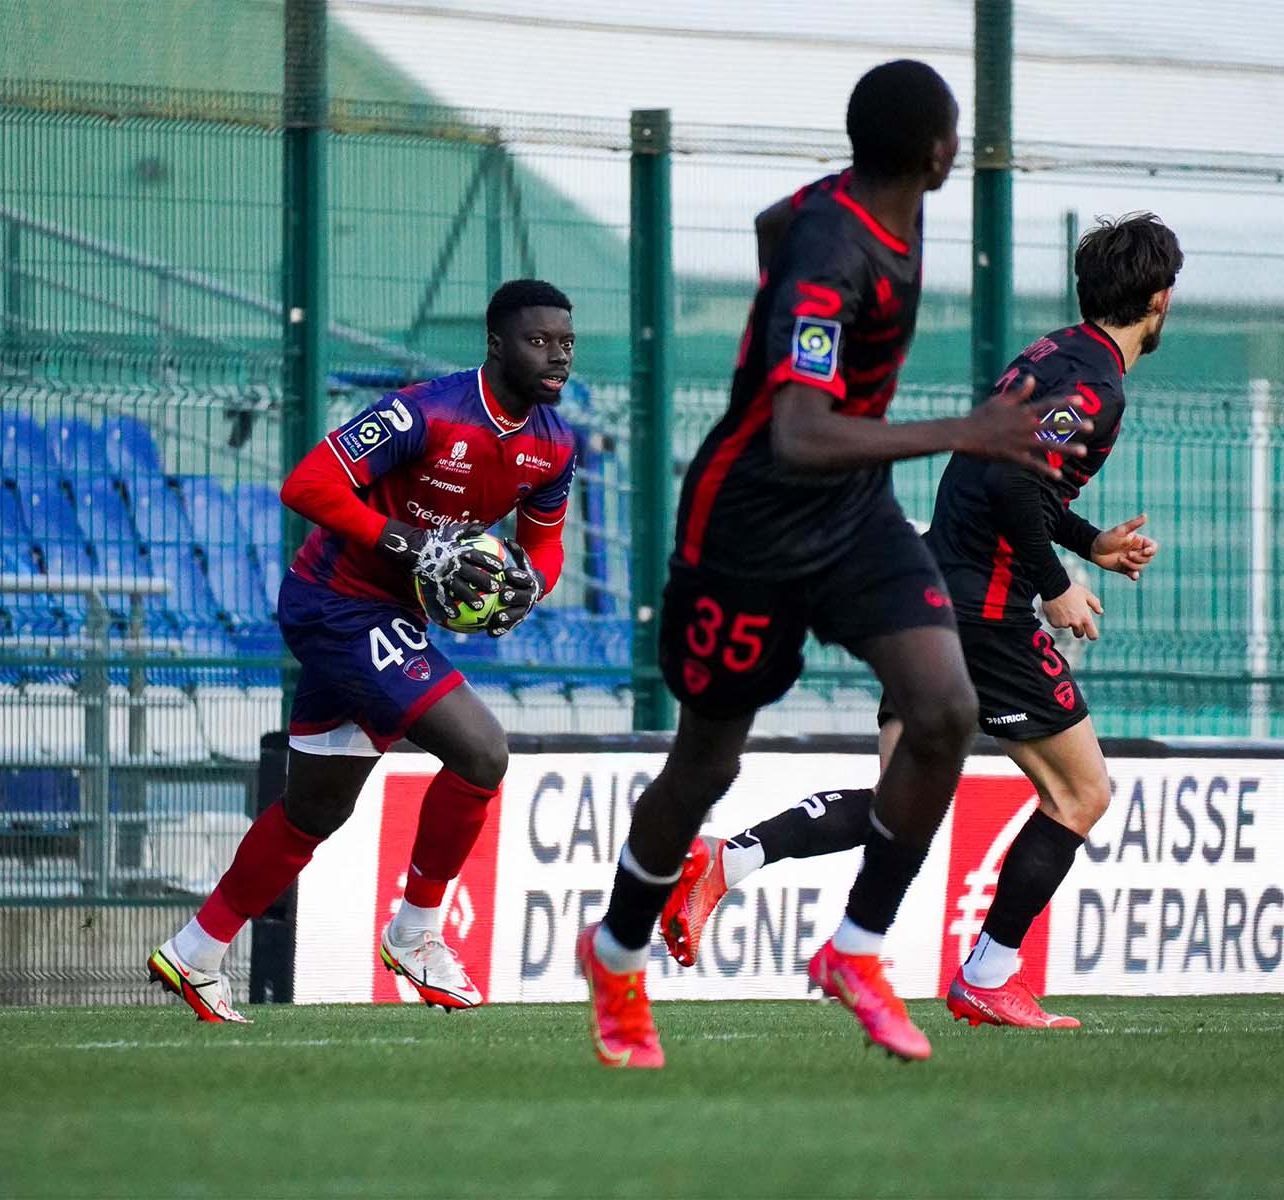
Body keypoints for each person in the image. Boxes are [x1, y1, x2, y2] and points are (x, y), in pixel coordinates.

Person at [578, 59, 1090, 1068]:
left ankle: (855, 950)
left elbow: (774, 222)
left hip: (852, 519)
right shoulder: (833, 250)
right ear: (940, 152)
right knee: (705, 764)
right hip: (748, 531)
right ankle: (616, 952)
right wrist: (966, 430)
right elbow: (798, 435)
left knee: (943, 710)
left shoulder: (874, 207)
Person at [660, 213, 1182, 1029]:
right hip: (986, 610)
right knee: (1081, 793)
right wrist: (1056, 584)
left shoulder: (1052, 353)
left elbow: (1004, 475)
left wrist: (1090, 541)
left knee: (899, 807)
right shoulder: (1097, 385)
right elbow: (1011, 482)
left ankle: (724, 862)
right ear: (1159, 299)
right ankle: (989, 974)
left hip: (930, 590)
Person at [149, 279, 579, 1021]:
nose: (557, 355)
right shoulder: (428, 410)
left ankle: (194, 951)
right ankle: (415, 932)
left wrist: (527, 588)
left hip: (388, 621)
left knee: (313, 813)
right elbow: (306, 483)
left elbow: (545, 546)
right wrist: (411, 546)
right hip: (336, 605)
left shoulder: (554, 444)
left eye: (566, 342)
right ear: (496, 344)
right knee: (481, 752)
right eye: (539, 340)